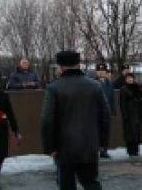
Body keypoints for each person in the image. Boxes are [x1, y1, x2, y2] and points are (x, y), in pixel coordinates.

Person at [40, 51, 110, 190]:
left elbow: (47, 119)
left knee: (66, 184)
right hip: (89, 143)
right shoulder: (95, 85)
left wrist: (49, 146)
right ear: (78, 64)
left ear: (60, 66)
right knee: (91, 182)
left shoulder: (54, 87)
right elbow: (105, 116)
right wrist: (102, 142)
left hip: (63, 146)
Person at [119, 73, 142, 156]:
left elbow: (141, 97)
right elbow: (122, 102)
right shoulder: (124, 89)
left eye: (131, 78)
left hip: (137, 112)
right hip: (129, 113)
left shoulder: (136, 87)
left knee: (137, 132)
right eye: (128, 78)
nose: (130, 80)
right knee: (130, 133)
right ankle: (130, 150)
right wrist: (125, 114)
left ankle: (136, 150)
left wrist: (140, 100)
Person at [95, 63, 116, 159]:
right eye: (99, 71)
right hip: (95, 111)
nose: (101, 72)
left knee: (105, 132)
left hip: (106, 111)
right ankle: (95, 150)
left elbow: (112, 99)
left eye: (103, 71)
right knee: (95, 132)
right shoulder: (92, 82)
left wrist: (113, 112)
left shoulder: (109, 83)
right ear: (96, 72)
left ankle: (104, 151)